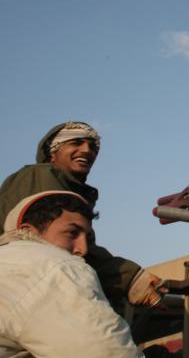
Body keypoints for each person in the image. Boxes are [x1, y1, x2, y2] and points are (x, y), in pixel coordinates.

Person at [0, 121, 162, 311]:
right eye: (76, 143)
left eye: (93, 147)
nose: (87, 150)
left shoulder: (69, 189)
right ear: (53, 152)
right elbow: (54, 244)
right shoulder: (39, 175)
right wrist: (130, 278)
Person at [0, 191, 143, 357]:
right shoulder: (54, 267)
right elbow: (104, 352)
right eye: (72, 233)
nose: (83, 249)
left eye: (87, 238)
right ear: (28, 232)